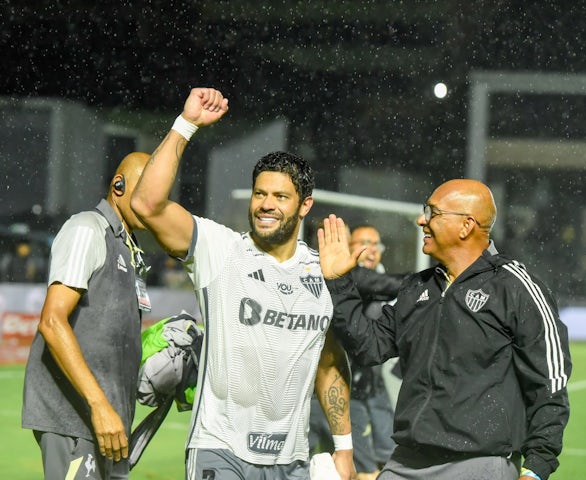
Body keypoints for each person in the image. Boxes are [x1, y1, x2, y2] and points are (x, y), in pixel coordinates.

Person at [130, 87, 357, 480]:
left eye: (280, 196)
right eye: (260, 194)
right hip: (221, 451)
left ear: (304, 205)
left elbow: (329, 363)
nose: (266, 204)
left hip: (292, 461)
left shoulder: (321, 271)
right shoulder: (221, 251)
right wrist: (186, 125)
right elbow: (146, 204)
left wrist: (345, 449)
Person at [317, 179, 572, 480]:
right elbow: (368, 346)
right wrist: (339, 282)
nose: (420, 220)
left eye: (433, 212)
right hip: (405, 462)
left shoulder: (515, 287)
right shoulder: (416, 288)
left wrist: (537, 468)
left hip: (479, 464)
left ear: (466, 225)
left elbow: (550, 382)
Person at [22, 151, 152, 479]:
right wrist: (99, 406)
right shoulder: (86, 228)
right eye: (146, 191)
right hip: (76, 419)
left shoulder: (128, 246)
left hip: (109, 423)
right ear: (118, 186)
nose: (154, 202)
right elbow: (52, 322)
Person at [309, 224, 403, 480]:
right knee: (359, 469)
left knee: (382, 461)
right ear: (347, 247)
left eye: (376, 245)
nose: (371, 250)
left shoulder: (375, 281)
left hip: (369, 388)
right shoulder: (352, 277)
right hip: (337, 390)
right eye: (363, 243)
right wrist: (434, 281)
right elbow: (389, 283)